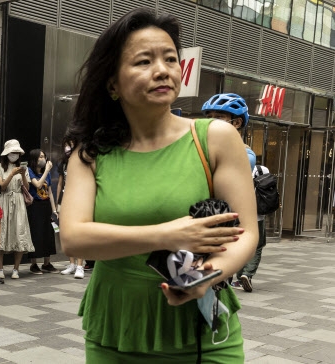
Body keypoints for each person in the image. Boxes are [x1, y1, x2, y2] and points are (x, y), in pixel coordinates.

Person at [60, 8, 258, 362]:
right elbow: (74, 239)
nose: (163, 70)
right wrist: (167, 234)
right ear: (112, 83)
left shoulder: (215, 138)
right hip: (117, 329)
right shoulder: (90, 155)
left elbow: (244, 233)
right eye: (143, 61)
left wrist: (204, 279)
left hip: (202, 332)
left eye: (170, 58)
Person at [0, 139, 34, 280]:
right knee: (2, 232)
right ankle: (0, 268)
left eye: (17, 152)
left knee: (20, 232)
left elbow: (27, 188)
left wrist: (23, 174)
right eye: (12, 152)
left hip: (18, 202)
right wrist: (12, 174)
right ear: (6, 153)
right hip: (3, 200)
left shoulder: (24, 168)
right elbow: (1, 187)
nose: (15, 155)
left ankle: (16, 269)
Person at [232, 164, 270, 292]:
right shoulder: (262, 170)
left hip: (239, 216)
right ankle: (246, 274)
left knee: (240, 245)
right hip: (258, 216)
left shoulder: (234, 169)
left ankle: (238, 278)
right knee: (257, 246)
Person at [201, 93, 256, 171]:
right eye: (209, 117)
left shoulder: (246, 155)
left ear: (237, 123)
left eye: (219, 117)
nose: (211, 121)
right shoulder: (200, 145)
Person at [26, 149, 59, 274]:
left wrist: (54, 209)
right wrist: (46, 171)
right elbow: (38, 185)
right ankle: (33, 264)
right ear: (35, 159)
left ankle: (47, 263)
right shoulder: (29, 171)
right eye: (40, 156)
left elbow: (49, 192)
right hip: (34, 206)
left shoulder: (48, 174)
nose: (43, 159)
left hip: (46, 205)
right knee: (36, 233)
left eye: (44, 156)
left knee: (48, 233)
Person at [57, 144, 84, 279]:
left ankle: (80, 265)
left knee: (80, 233)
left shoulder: (83, 161)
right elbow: (60, 183)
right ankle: (72, 264)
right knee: (67, 232)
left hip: (79, 200)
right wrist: (57, 203)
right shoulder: (63, 164)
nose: (69, 147)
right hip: (65, 200)